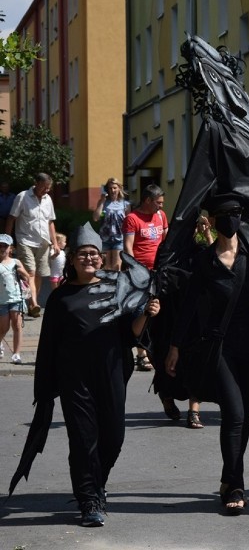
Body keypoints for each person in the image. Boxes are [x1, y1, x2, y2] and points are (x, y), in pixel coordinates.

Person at [17, 223, 160, 526]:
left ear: (101, 258)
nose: (90, 259)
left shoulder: (115, 289)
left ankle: (97, 484)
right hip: (75, 380)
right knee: (83, 441)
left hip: (111, 375)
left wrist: (146, 313)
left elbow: (131, 335)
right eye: (83, 254)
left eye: (94, 254)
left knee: (114, 439)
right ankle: (89, 500)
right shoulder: (59, 298)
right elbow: (48, 346)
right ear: (71, 259)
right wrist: (45, 386)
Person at [165, 194, 249, 514]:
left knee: (245, 419)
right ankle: (235, 485)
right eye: (224, 214)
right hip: (220, 345)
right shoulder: (203, 261)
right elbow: (187, 307)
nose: (231, 219)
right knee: (235, 414)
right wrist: (174, 346)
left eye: (236, 213)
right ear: (211, 221)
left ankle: (229, 479)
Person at [6, 173, 60, 316]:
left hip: (43, 242)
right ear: (36, 183)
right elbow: (11, 218)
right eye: (44, 187)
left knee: (40, 274)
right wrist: (7, 241)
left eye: (48, 188)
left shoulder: (48, 199)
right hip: (25, 240)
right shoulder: (22, 197)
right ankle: (34, 303)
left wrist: (55, 243)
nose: (46, 191)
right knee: (30, 272)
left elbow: (50, 222)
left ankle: (31, 303)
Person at [122, 186, 164, 369]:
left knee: (158, 310)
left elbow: (166, 240)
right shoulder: (132, 219)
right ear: (148, 200)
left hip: (159, 272)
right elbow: (128, 247)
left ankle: (154, 347)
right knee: (141, 311)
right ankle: (141, 354)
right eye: (158, 202)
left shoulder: (161, 216)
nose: (161, 206)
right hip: (140, 273)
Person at [92, 177, 131, 271]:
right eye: (110, 188)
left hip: (119, 238)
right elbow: (95, 218)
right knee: (106, 267)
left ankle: (115, 285)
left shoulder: (125, 204)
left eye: (114, 188)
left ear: (119, 188)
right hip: (105, 238)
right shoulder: (103, 203)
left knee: (116, 267)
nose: (112, 190)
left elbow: (129, 223)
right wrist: (102, 201)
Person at [0, 233, 27, 365]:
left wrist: (21, 272)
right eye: (0, 246)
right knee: (3, 328)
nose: (2, 248)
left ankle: (16, 354)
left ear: (11, 248)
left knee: (17, 326)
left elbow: (27, 277)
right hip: (1, 301)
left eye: (5, 246)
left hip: (16, 298)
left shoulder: (15, 262)